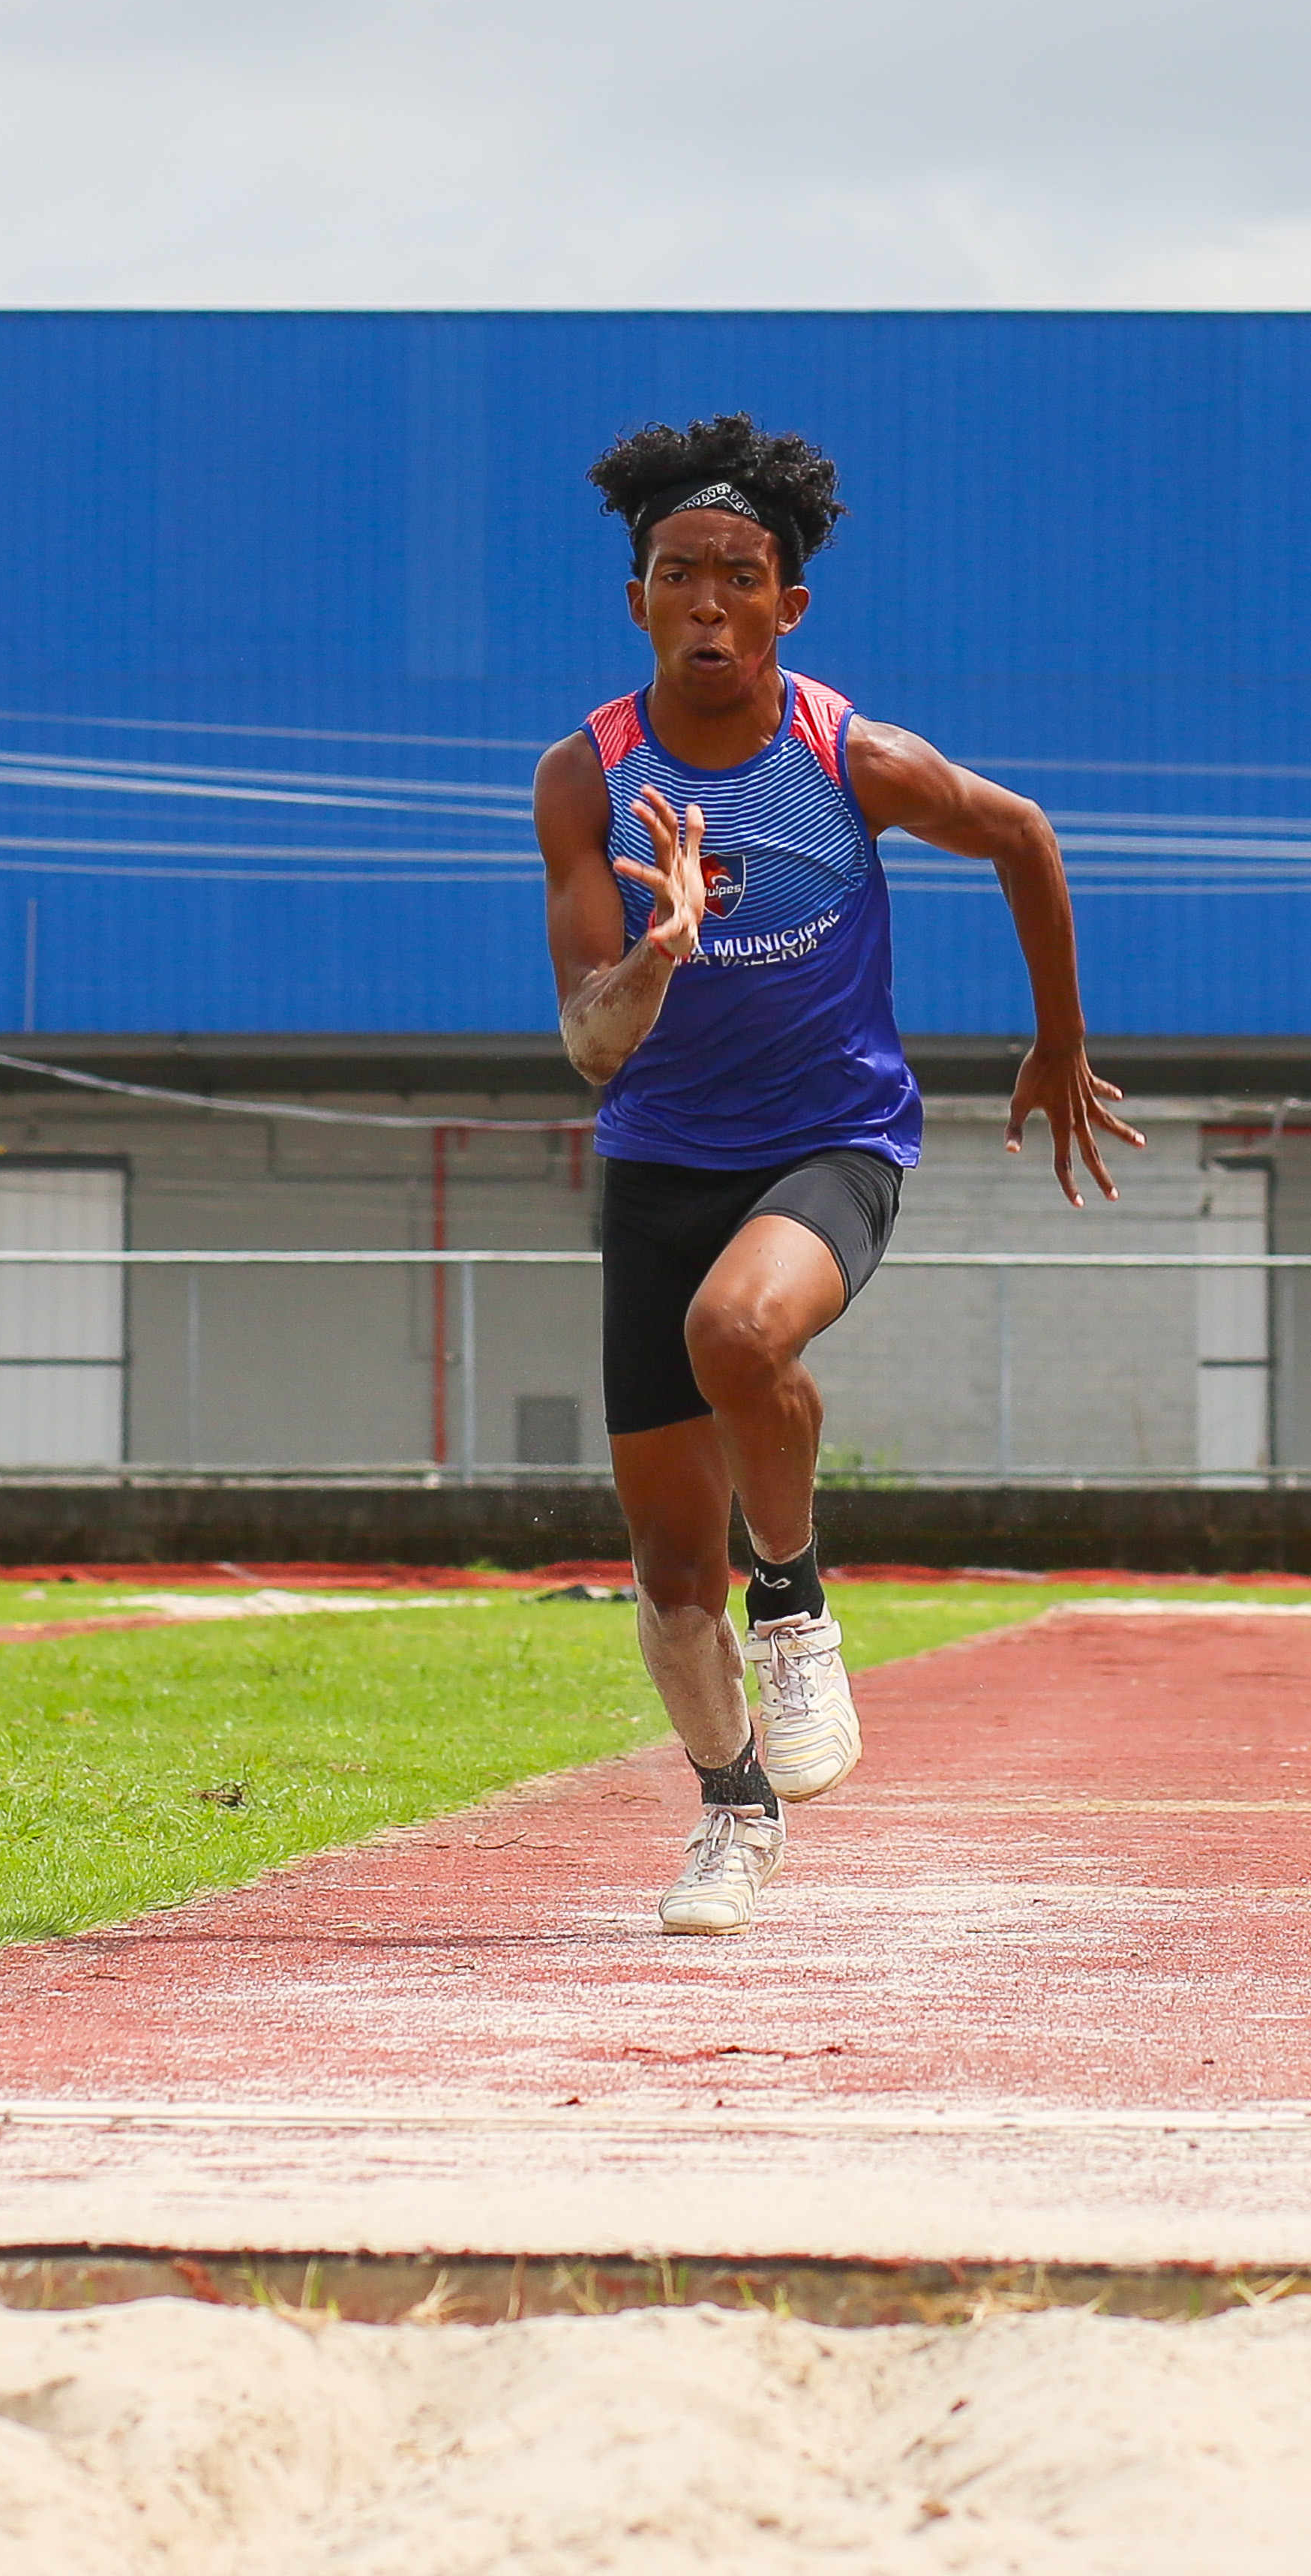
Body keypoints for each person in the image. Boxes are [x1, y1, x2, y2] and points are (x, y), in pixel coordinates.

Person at [532, 413, 1138, 1935]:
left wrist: (1057, 1043)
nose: (710, 604)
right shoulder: (585, 780)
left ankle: (797, 1605)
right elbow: (592, 1046)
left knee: (740, 1333)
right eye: (679, 576)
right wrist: (659, 954)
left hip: (830, 1139)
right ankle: (733, 1811)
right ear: (638, 599)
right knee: (670, 1586)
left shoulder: (844, 757)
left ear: (788, 604)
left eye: (741, 577)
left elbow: (1023, 834)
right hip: (660, 1154)